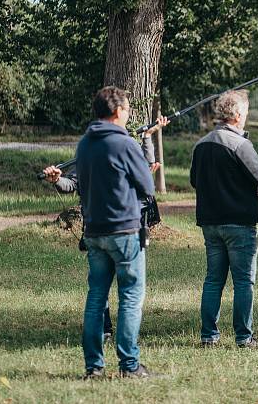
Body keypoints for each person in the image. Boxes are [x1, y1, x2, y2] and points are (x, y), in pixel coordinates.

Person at [42, 116, 169, 342]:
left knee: (100, 291)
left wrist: (148, 138)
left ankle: (101, 348)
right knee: (127, 292)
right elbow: (70, 184)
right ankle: (119, 344)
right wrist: (56, 180)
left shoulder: (94, 151)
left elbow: (145, 167)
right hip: (120, 232)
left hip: (98, 231)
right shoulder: (99, 153)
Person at [190, 90, 258, 349]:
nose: (246, 117)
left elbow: (194, 180)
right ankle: (243, 337)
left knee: (213, 279)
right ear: (237, 115)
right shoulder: (240, 144)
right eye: (245, 113)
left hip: (210, 223)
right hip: (239, 223)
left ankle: (208, 335)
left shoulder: (201, 144)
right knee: (243, 281)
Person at [76, 86, 156, 379]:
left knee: (96, 296)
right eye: (127, 110)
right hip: (124, 230)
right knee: (131, 295)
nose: (128, 114)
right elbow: (147, 187)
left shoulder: (84, 144)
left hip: (94, 230)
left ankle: (93, 367)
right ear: (118, 111)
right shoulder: (124, 144)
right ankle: (129, 365)